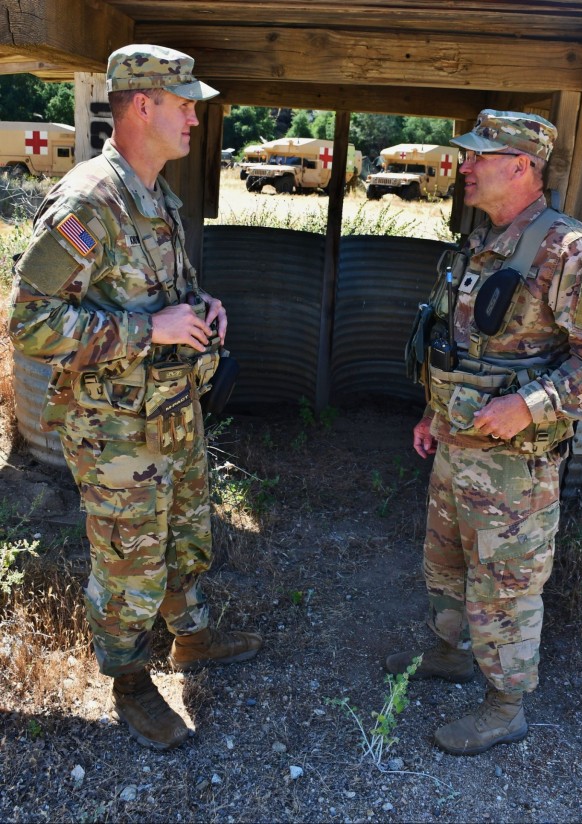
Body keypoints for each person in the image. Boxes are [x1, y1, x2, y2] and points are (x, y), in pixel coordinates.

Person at [8, 44, 262, 752]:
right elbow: (28, 325)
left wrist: (195, 307)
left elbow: (154, 295)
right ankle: (128, 683)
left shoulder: (154, 193)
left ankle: (192, 640)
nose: (194, 118)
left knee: (184, 536)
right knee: (129, 565)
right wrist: (150, 328)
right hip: (116, 429)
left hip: (171, 412)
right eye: (184, 105)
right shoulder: (91, 199)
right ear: (141, 105)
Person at [387, 110, 582, 755]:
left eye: (478, 156)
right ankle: (452, 653)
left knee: (506, 586)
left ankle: (504, 706)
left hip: (514, 468)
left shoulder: (567, 252)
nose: (464, 166)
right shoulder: (478, 243)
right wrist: (433, 412)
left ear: (522, 166)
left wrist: (531, 404)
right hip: (457, 448)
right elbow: (460, 347)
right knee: (445, 563)